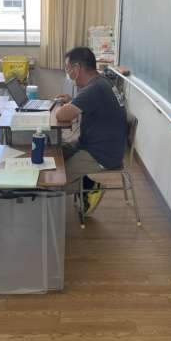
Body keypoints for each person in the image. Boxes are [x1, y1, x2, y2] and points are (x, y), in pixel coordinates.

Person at [55, 47, 127, 216]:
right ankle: (87, 185)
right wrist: (73, 101)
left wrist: (68, 105)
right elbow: (89, 103)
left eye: (68, 69)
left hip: (101, 153)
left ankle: (90, 188)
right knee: (55, 152)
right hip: (102, 145)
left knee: (52, 181)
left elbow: (61, 115)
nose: (68, 74)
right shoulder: (102, 82)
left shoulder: (94, 89)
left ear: (77, 68)